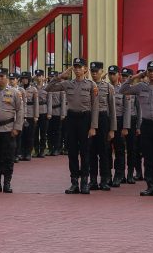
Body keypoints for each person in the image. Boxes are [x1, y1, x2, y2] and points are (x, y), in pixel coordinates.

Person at [44, 58, 100, 194]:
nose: (77, 69)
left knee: (85, 152)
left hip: (85, 119)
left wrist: (93, 126)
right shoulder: (68, 84)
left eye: (80, 67)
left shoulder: (91, 85)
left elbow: (95, 106)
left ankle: (84, 182)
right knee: (72, 152)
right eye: (75, 67)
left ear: (85, 69)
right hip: (71, 119)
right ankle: (74, 182)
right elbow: (48, 88)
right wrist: (59, 76)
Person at [119, 61, 153, 197]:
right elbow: (122, 90)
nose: (151, 73)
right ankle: (150, 186)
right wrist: (136, 77)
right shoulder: (141, 87)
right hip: (146, 125)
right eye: (149, 70)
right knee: (148, 157)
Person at [88, 61, 118, 191]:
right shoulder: (88, 85)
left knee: (104, 151)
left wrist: (112, 129)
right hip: (90, 120)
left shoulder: (108, 87)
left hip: (103, 119)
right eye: (92, 71)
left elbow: (112, 109)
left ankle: (105, 180)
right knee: (91, 151)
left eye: (97, 71)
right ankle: (93, 180)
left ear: (102, 72)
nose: (94, 73)